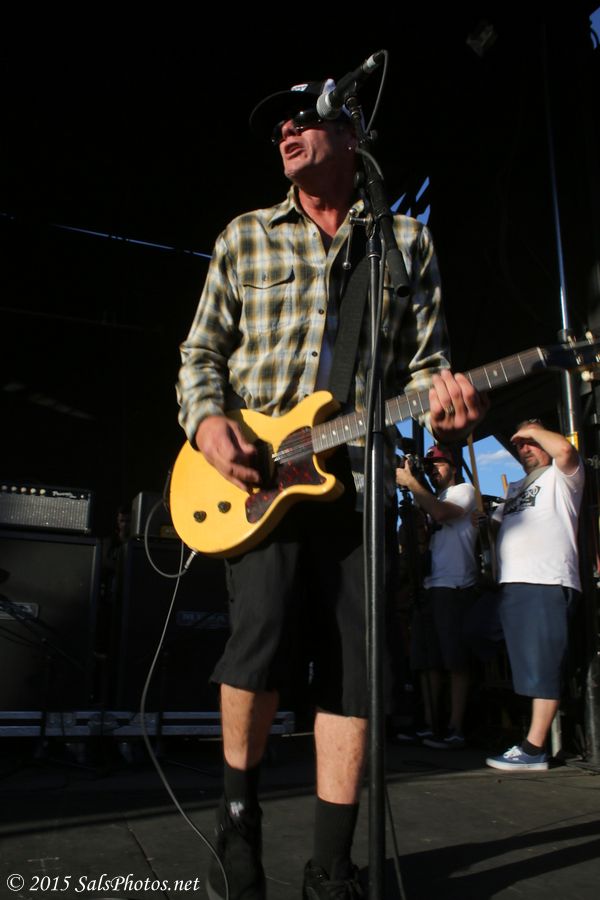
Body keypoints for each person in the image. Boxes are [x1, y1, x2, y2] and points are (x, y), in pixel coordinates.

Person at [176, 78, 484, 900]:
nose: (285, 130)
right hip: (261, 479)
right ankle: (237, 823)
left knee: (355, 672)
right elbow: (200, 355)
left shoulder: (404, 243)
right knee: (259, 645)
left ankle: (332, 867)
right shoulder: (246, 236)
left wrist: (449, 410)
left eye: (302, 117)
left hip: (356, 477)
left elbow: (427, 367)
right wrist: (209, 425)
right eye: (277, 124)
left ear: (351, 133)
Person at [482, 420, 584, 771]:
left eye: (531, 442)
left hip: (545, 578)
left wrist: (530, 429)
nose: (524, 447)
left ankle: (533, 749)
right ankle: (515, 730)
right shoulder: (514, 489)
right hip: (511, 583)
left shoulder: (561, 476)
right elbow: (495, 529)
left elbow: (566, 450)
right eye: (520, 445)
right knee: (488, 642)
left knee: (543, 665)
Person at [395, 444, 478, 748]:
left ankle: (456, 728)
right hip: (429, 585)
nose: (434, 470)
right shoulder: (432, 498)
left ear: (453, 467)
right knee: (427, 661)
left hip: (454, 584)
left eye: (440, 465)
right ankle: (432, 725)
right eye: (430, 467)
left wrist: (411, 482)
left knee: (455, 660)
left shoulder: (464, 491)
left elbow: (442, 513)